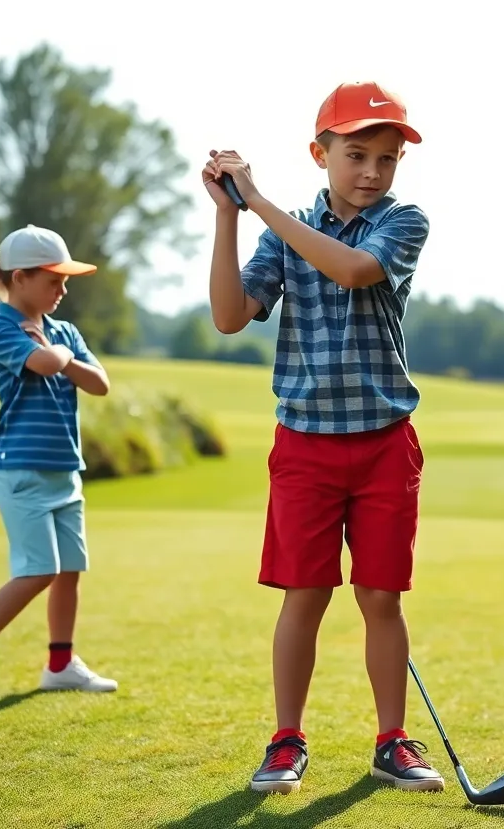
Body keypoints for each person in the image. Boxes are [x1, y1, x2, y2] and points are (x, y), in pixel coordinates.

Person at [202, 80, 443, 795]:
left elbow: (352, 269)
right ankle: (286, 740)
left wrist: (262, 203)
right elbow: (227, 315)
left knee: (381, 598)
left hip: (382, 442)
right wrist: (230, 219)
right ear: (321, 153)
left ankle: (391, 741)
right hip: (305, 443)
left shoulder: (403, 221)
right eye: (357, 154)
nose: (372, 171)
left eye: (387, 158)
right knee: (303, 595)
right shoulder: (283, 233)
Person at [0, 224, 118, 703]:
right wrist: (57, 355)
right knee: (38, 570)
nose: (62, 291)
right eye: (53, 281)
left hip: (64, 468)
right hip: (19, 467)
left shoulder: (63, 330)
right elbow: (43, 365)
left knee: (69, 569)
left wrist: (59, 352)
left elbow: (100, 382)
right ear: (19, 278)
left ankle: (60, 664)